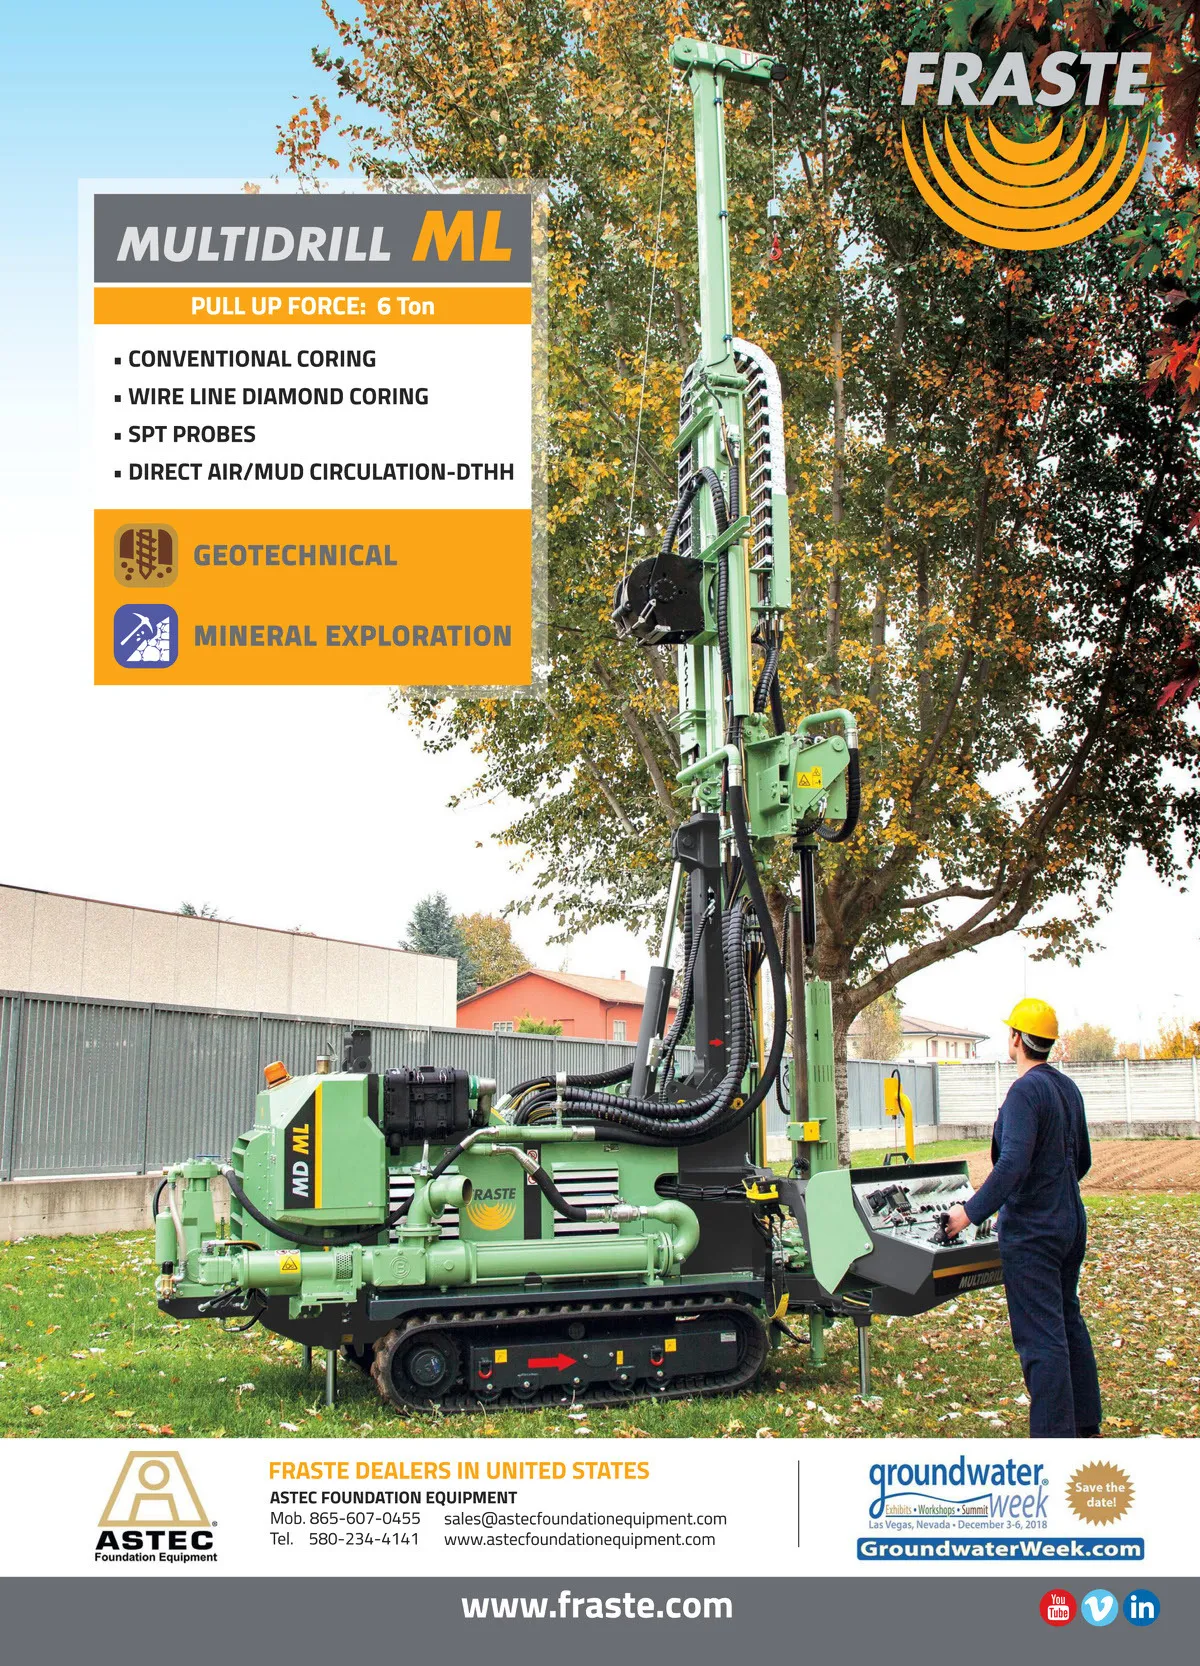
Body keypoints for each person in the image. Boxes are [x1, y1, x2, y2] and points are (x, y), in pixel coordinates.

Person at [944, 998, 1102, 1439]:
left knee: (1040, 1338)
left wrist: (968, 1213)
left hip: (1034, 1233)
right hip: (1070, 1224)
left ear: (1016, 1038)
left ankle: (1053, 1439)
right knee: (1067, 1319)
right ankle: (1084, 1424)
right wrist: (1052, 1191)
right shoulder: (1067, 1088)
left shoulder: (1024, 1092)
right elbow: (1082, 1160)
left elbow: (1011, 1163)